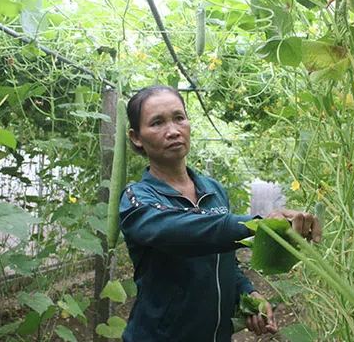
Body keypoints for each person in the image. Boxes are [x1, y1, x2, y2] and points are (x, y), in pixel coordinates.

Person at [119, 85, 322, 342]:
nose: (173, 131)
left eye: (179, 118)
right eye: (157, 123)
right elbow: (182, 231)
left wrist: (248, 293)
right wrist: (258, 225)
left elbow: (224, 260)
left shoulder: (213, 190)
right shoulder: (137, 198)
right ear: (137, 137)